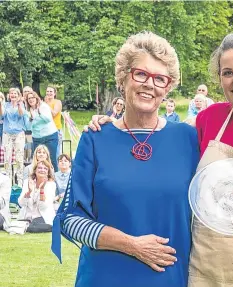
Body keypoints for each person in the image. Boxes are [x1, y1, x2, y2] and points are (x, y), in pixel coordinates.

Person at [87, 32, 233, 287]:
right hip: (206, 272)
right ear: (220, 78)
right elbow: (160, 136)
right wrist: (113, 126)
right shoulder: (210, 120)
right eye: (228, 73)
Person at [51, 31, 199, 287]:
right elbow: (70, 219)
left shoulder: (188, 139)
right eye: (140, 74)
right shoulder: (96, 138)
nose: (149, 84)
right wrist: (132, 245)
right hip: (104, 278)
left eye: (160, 79)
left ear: (168, 87)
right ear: (123, 78)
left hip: (171, 278)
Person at [18, 160, 56, 233]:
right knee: (17, 224)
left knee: (33, 227)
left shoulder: (51, 184)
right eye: (40, 168)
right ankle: (27, 226)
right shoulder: (27, 182)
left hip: (42, 216)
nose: (42, 170)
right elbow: (21, 203)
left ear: (48, 172)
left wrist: (42, 190)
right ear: (35, 170)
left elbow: (43, 207)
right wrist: (29, 192)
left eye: (45, 169)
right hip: (27, 216)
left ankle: (50, 227)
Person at [0, 88, 27, 186]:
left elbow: (21, 114)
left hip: (19, 133)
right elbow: (2, 115)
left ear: (18, 95)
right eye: (11, 93)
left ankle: (19, 183)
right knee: (7, 159)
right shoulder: (6, 105)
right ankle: (8, 183)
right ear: (9, 95)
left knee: (19, 159)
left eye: (15, 93)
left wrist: (19, 105)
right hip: (7, 133)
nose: (13, 95)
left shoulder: (21, 105)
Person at [25, 91, 59, 171]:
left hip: (50, 136)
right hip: (36, 138)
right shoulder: (28, 111)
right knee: (37, 160)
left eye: (33, 97)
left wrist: (37, 115)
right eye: (29, 98)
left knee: (51, 159)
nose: (31, 99)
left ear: (36, 98)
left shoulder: (43, 106)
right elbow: (28, 127)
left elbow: (48, 119)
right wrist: (31, 119)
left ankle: (54, 180)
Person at [44, 86, 63, 156]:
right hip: (46, 130)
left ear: (54, 93)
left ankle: (57, 166)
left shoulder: (57, 102)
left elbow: (54, 113)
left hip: (56, 129)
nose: (49, 93)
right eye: (47, 91)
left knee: (56, 151)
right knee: (47, 151)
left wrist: (47, 105)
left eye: (51, 91)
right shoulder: (43, 103)